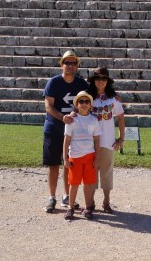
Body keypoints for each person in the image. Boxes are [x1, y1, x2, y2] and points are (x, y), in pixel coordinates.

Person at [42, 50, 88, 213]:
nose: (70, 66)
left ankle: (66, 196)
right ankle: (51, 197)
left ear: (77, 66)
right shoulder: (53, 83)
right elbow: (48, 106)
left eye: (73, 63)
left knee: (69, 163)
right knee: (53, 164)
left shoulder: (82, 84)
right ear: (61, 65)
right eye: (67, 62)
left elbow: (90, 101)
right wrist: (63, 118)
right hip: (54, 128)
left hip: (74, 130)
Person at [86, 67, 125, 213]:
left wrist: (121, 138)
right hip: (90, 142)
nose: (100, 81)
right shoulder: (87, 98)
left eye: (104, 79)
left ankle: (106, 202)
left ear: (107, 81)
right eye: (98, 78)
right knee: (91, 173)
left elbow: (120, 117)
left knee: (107, 173)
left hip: (108, 141)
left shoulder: (113, 99)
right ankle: (91, 202)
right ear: (93, 81)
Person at [63, 90, 101, 221]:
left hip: (89, 155)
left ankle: (87, 206)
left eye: (86, 101)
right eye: (81, 101)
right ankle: (70, 207)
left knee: (88, 183)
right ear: (77, 104)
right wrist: (65, 158)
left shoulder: (94, 120)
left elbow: (96, 139)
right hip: (75, 156)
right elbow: (66, 140)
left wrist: (97, 157)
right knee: (73, 183)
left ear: (90, 105)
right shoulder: (72, 120)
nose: (84, 104)